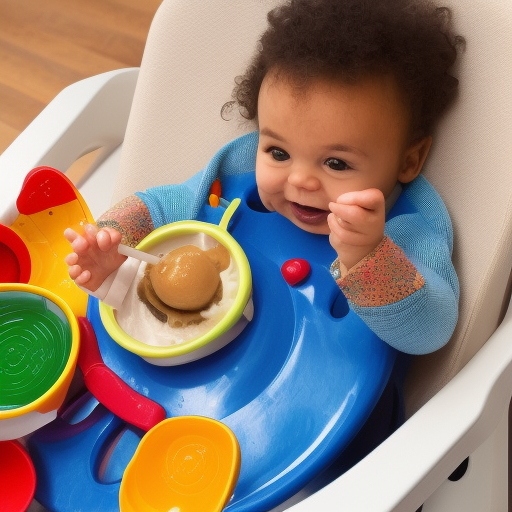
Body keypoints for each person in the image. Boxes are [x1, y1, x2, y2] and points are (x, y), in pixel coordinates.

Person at [65, 0, 463, 355]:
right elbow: (161, 204)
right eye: (278, 153)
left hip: (320, 408)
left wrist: (368, 257)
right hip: (183, 370)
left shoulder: (409, 231)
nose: (301, 180)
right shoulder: (238, 173)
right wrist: (113, 240)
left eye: (337, 164)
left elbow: (431, 332)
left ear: (409, 161)